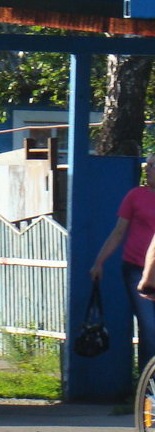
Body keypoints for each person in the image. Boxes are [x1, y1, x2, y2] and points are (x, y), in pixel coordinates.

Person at [91, 155, 155, 369]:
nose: (151, 169)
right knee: (149, 326)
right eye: (149, 165)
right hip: (137, 269)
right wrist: (99, 262)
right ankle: (147, 391)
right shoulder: (136, 196)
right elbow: (119, 232)